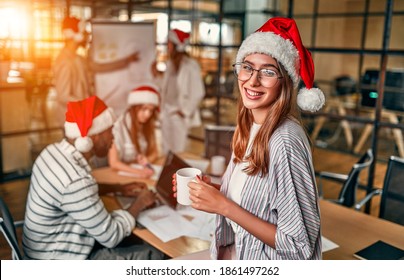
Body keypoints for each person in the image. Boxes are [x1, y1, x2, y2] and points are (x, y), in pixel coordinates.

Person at [174, 17, 325, 260]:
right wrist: (212, 191)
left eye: (268, 72)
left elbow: (298, 247)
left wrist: (223, 206)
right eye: (247, 67)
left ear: (284, 83)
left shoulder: (284, 142)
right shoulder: (248, 127)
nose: (252, 80)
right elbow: (255, 198)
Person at [22, 96, 163, 260]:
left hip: (44, 247)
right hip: (57, 260)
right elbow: (111, 236)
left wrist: (118, 188)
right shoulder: (75, 181)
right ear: (94, 136)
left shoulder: (53, 151)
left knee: (135, 237)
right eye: (110, 131)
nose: (113, 138)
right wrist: (140, 203)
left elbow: (76, 192)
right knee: (154, 254)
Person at [52, 16, 139, 126]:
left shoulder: (78, 58)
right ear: (75, 35)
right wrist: (88, 104)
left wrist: (126, 60)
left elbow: (100, 67)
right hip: (72, 120)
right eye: (84, 33)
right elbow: (63, 96)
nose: (87, 36)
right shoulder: (64, 62)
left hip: (82, 116)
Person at [154, 28, 205, 154]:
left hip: (178, 114)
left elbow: (198, 92)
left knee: (179, 150)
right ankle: (167, 173)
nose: (167, 46)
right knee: (166, 149)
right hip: (166, 111)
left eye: (169, 43)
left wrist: (185, 111)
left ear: (176, 45)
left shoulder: (190, 65)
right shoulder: (170, 64)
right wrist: (156, 75)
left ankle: (177, 174)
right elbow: (168, 87)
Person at [108, 84, 160, 178]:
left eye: (151, 110)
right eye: (144, 109)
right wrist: (138, 172)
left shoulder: (147, 125)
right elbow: (114, 163)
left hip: (138, 171)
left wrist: (147, 159)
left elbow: (155, 152)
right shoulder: (117, 127)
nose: (148, 114)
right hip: (120, 175)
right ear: (134, 108)